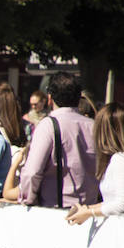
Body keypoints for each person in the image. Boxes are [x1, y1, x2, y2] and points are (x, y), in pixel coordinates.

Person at [66, 102, 124, 224]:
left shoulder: (121, 160)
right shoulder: (122, 158)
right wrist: (87, 209)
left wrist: (89, 213)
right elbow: (112, 202)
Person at [19, 72, 98, 207]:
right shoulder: (94, 126)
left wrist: (27, 200)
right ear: (79, 98)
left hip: (55, 212)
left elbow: (32, 172)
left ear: (49, 98)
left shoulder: (48, 125)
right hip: (90, 213)